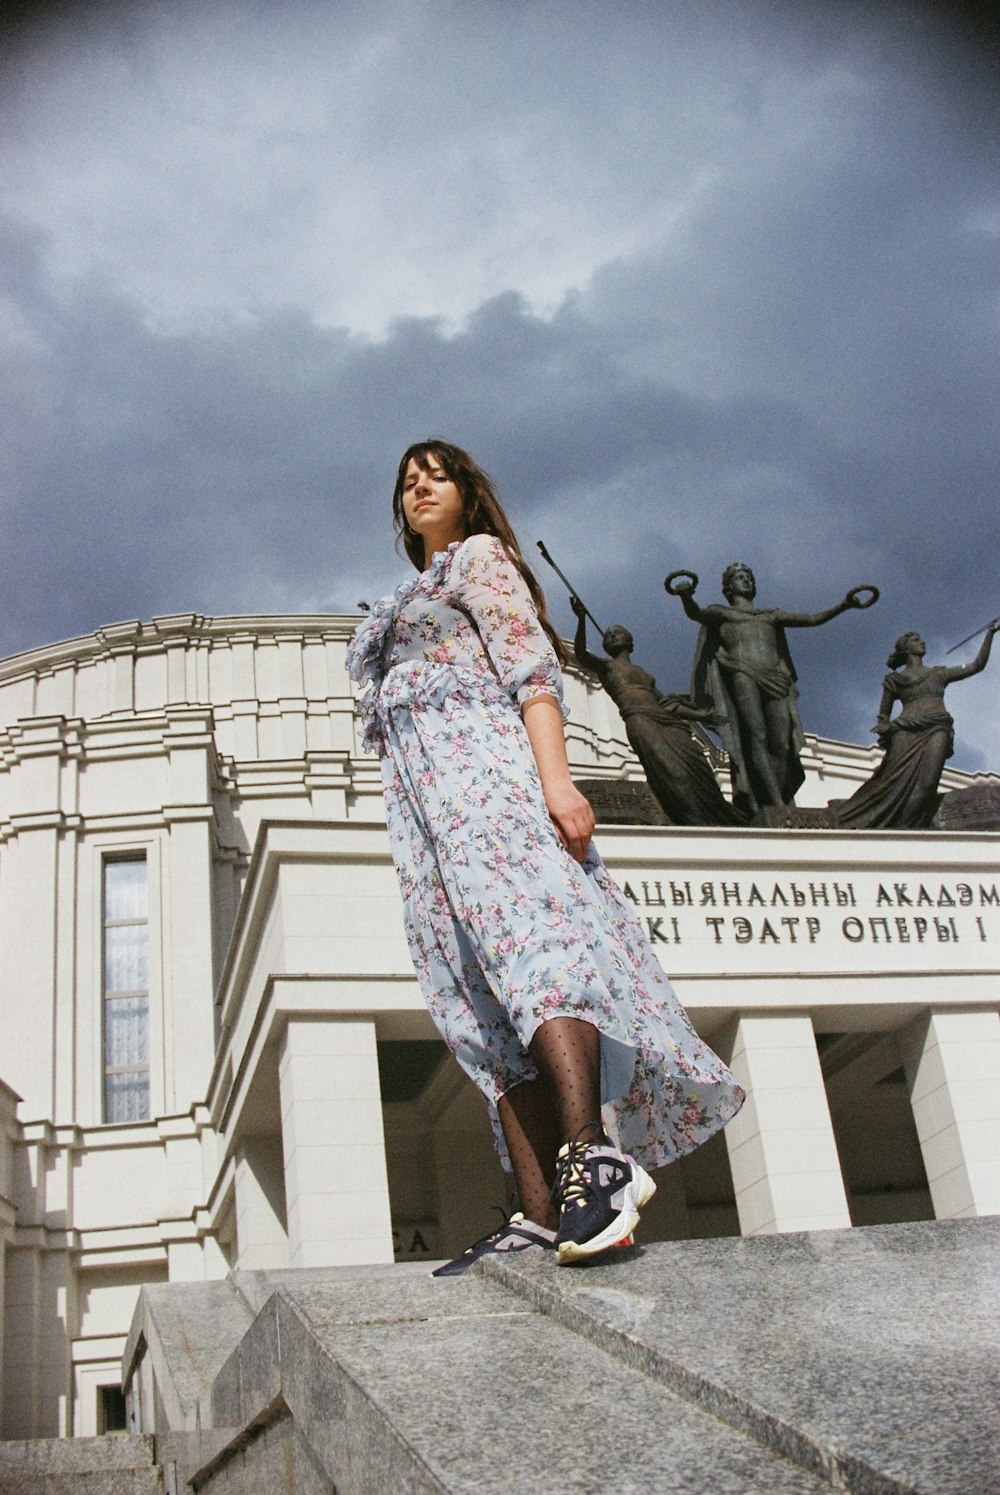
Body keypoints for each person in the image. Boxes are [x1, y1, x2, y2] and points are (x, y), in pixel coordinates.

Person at [347, 441, 744, 1272]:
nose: (420, 486)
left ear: (468, 492)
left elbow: (532, 674)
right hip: (428, 825)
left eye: (436, 474)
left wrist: (558, 785)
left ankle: (592, 1158)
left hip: (492, 787)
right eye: (407, 481)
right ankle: (540, 1210)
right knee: (477, 1002)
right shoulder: (408, 596)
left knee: (537, 956)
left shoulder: (481, 561)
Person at [666, 563, 877, 818]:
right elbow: (696, 613)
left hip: (776, 679)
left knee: (783, 745)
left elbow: (811, 619)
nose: (746, 581)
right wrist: (686, 596)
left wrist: (844, 605)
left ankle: (777, 796)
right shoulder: (722, 613)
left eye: (748, 577)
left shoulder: (770, 615)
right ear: (728, 586)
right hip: (743, 673)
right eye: (739, 578)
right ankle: (776, 805)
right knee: (757, 736)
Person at [569, 598, 743, 826]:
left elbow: (668, 705)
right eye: (608, 634)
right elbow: (581, 654)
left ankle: (712, 819)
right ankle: (692, 820)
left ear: (629, 641)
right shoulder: (607, 668)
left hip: (668, 724)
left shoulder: (642, 672)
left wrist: (704, 716)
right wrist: (581, 619)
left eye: (616, 632)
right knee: (671, 772)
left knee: (698, 770)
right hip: (640, 720)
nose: (611, 635)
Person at [834, 625, 998, 829]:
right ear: (906, 649)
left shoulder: (938, 674)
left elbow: (977, 665)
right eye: (916, 640)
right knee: (891, 782)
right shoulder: (895, 680)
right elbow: (883, 715)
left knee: (928, 783)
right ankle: (893, 828)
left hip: (938, 727)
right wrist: (883, 726)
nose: (922, 642)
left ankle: (907, 826)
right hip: (905, 732)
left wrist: (989, 635)